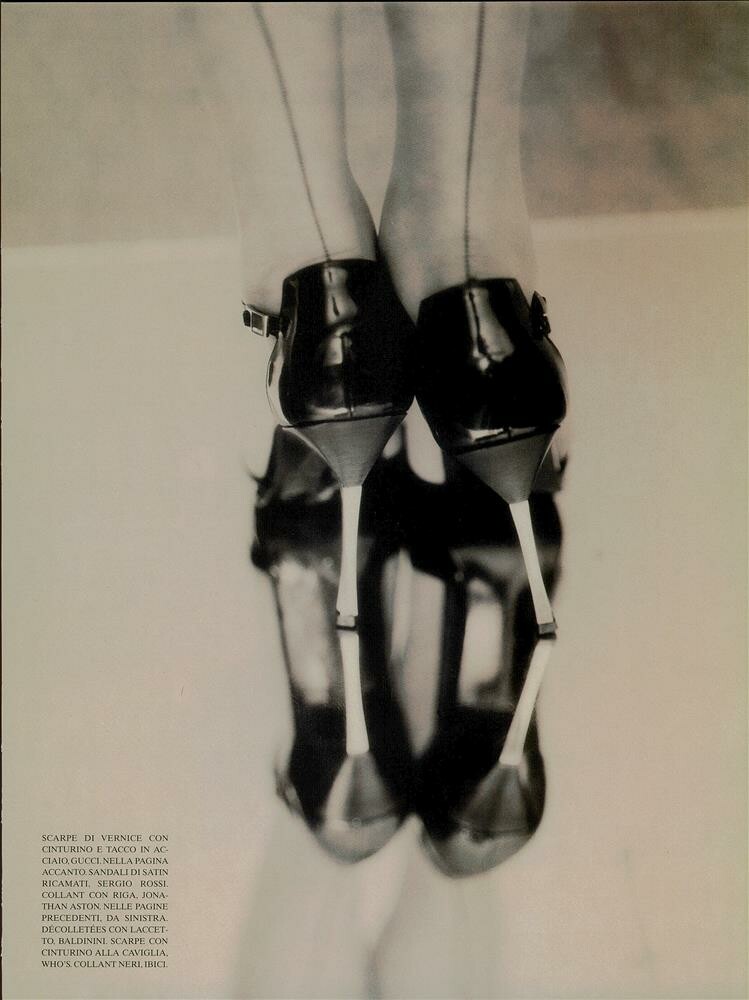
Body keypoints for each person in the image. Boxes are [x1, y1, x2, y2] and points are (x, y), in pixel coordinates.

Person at [192, 1, 567, 874]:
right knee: (460, 190)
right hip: (499, 387)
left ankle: (323, 323)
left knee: (299, 196)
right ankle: (477, 315)